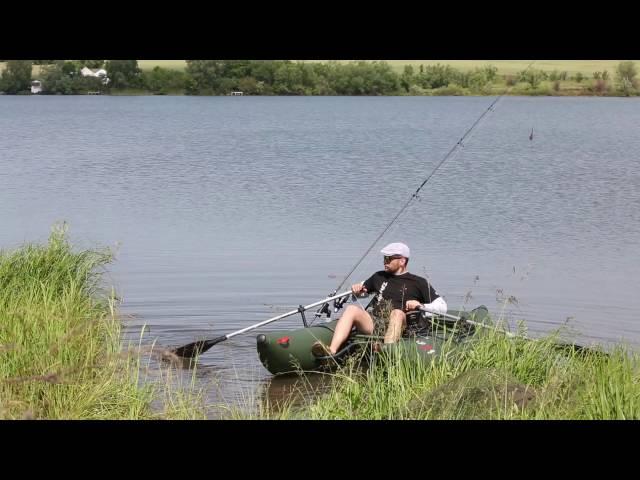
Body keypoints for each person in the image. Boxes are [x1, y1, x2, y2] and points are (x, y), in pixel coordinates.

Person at [312, 242, 447, 357]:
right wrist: (357, 290)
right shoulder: (378, 276)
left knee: (397, 313)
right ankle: (331, 350)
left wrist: (420, 305)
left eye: (389, 258)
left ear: (402, 261)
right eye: (384, 258)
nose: (385, 261)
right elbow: (362, 293)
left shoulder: (418, 282)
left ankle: (386, 353)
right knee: (351, 309)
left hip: (401, 324)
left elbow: (442, 306)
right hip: (376, 322)